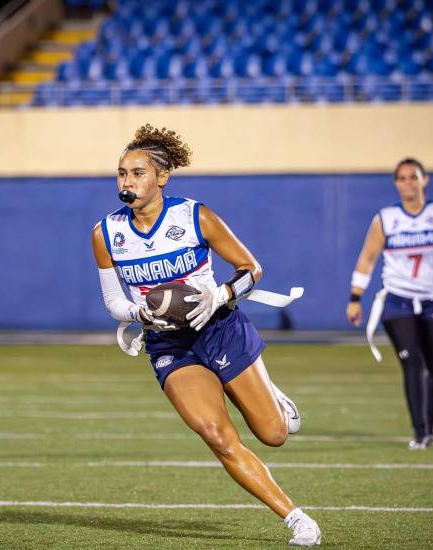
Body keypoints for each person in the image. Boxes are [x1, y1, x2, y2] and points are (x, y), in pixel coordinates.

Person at [92, 124, 321, 546]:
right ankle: (295, 518)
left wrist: (219, 294)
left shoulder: (196, 216)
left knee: (273, 435)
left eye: (137, 173)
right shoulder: (106, 233)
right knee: (217, 435)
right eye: (122, 173)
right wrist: (139, 310)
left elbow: (252, 269)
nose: (127, 181)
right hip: (169, 344)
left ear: (162, 177)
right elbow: (113, 303)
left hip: (219, 328)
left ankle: (271, 393)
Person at [346, 158, 433, 450]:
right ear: (396, 183)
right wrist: (355, 298)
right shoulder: (386, 219)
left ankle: (429, 420)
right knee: (412, 364)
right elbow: (367, 258)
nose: (408, 183)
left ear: (424, 180)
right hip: (398, 301)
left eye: (413, 177)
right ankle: (420, 431)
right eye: (402, 178)